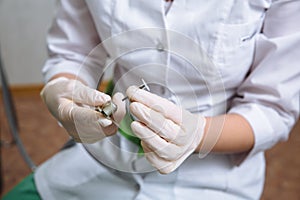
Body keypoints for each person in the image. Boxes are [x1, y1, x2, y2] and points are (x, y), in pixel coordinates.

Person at [3, 0, 300, 199]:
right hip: (110, 156)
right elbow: (72, 52)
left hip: (215, 177)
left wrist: (198, 134)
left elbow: (272, 107)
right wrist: (64, 94)